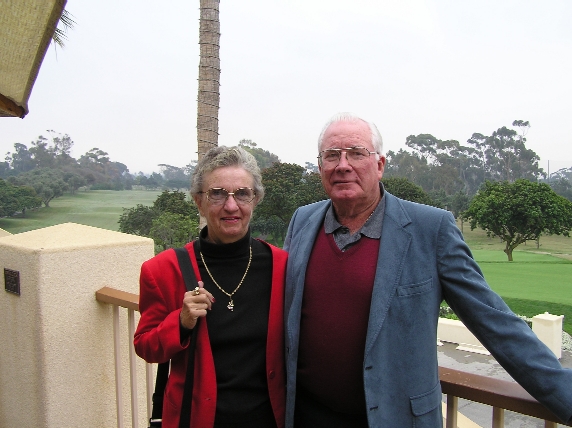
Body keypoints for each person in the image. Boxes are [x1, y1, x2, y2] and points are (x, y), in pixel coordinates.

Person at [283, 112, 572, 427]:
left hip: (394, 420)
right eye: (331, 155)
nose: (342, 165)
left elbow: (496, 323)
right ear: (320, 166)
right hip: (305, 416)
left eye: (356, 153)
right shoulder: (303, 221)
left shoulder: (431, 229)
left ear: (379, 165)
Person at [134, 146, 287, 428]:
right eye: (217, 193)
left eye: (242, 193)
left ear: (255, 199)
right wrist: (180, 322)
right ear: (198, 201)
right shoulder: (162, 270)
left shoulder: (282, 267)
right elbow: (145, 346)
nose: (231, 206)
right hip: (197, 420)